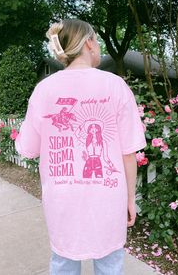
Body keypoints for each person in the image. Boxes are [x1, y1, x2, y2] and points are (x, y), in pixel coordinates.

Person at [15, 19, 146, 275]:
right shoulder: (116, 86)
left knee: (64, 262)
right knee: (110, 264)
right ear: (88, 43)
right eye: (96, 40)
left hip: (62, 201)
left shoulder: (44, 90)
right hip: (108, 201)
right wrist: (130, 199)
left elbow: (28, 148)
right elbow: (128, 153)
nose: (96, 45)